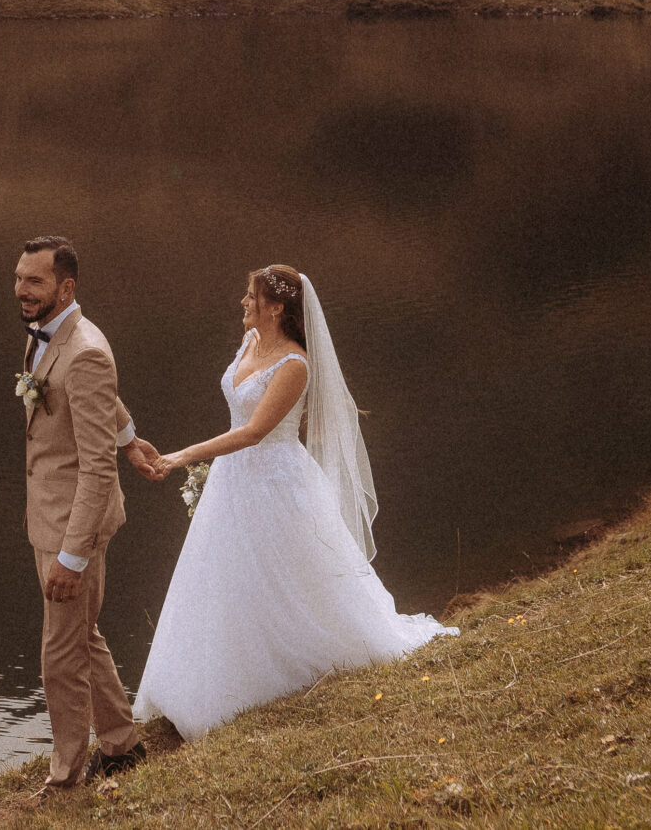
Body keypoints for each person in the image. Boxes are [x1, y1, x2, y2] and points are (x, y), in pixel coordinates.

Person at [132, 264, 452, 740]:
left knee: (280, 576)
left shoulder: (295, 365)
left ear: (277, 307)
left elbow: (256, 431)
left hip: (277, 480)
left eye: (251, 297)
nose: (244, 303)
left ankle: (274, 672)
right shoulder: (250, 344)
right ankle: (208, 678)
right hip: (232, 480)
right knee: (223, 574)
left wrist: (182, 456)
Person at [12, 235, 165, 791]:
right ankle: (122, 745)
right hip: (48, 513)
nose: (21, 290)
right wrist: (131, 439)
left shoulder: (87, 350)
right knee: (81, 636)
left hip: (75, 526)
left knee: (60, 657)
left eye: (34, 281)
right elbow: (101, 407)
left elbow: (97, 471)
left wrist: (73, 559)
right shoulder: (51, 334)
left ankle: (66, 778)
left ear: (65, 287)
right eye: (19, 278)